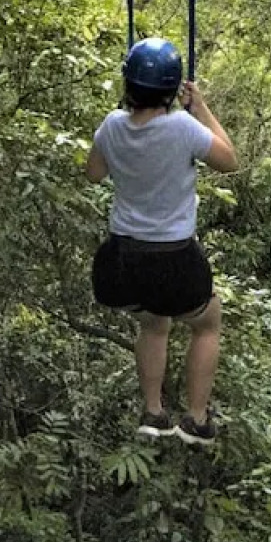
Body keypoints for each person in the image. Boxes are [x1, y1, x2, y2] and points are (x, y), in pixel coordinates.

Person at [86, 37, 239, 446]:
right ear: (172, 91)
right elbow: (229, 160)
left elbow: (94, 174)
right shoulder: (183, 126)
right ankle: (196, 419)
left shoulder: (112, 125)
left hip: (121, 262)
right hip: (174, 259)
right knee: (207, 322)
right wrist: (201, 107)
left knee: (154, 322)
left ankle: (153, 412)